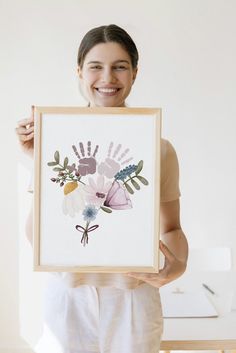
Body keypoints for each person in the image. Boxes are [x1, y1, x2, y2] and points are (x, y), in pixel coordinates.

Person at [16, 24, 188, 353]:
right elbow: (36, 236)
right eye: (96, 66)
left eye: (119, 66)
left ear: (135, 73)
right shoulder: (54, 140)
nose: (107, 78)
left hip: (134, 298)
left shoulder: (159, 148)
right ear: (79, 72)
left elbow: (173, 228)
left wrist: (178, 265)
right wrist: (36, 162)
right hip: (69, 297)